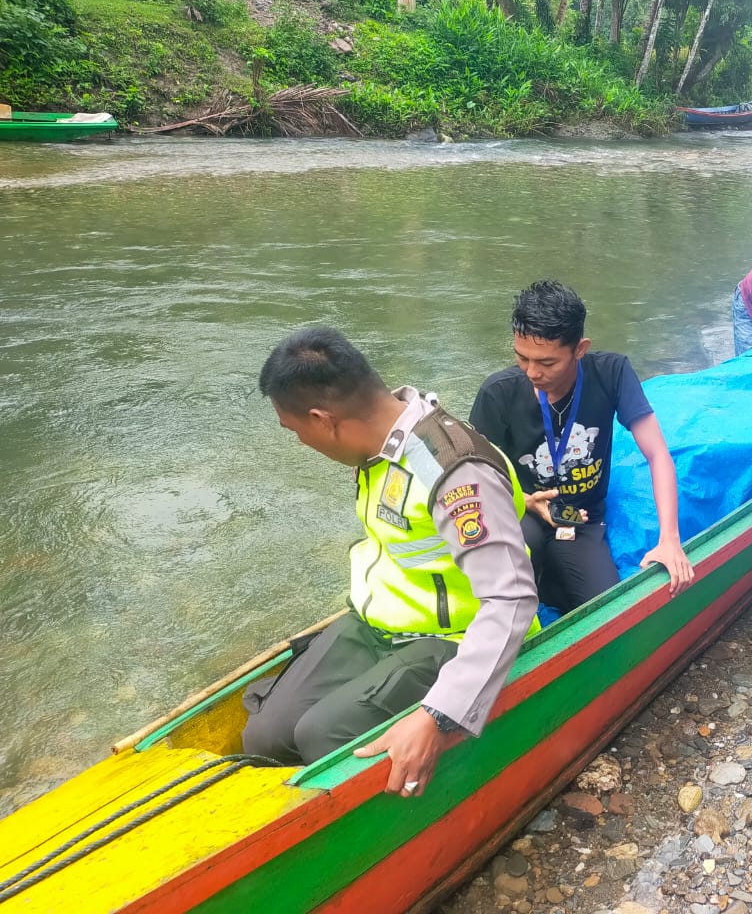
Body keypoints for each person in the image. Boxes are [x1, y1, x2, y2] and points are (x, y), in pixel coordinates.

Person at [241, 327, 539, 799]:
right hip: (381, 622)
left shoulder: (454, 473)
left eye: (296, 431)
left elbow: (511, 598)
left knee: (322, 737)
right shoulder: (380, 448)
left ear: (323, 419)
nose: (301, 444)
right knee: (263, 737)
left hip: (451, 638)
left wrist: (438, 715)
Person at [469, 280, 694, 614]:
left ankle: (554, 581)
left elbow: (658, 454)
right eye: (522, 358)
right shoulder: (498, 393)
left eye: (547, 363)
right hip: (520, 510)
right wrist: (526, 501)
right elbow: (474, 478)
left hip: (580, 517)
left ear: (580, 348)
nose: (533, 373)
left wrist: (670, 540)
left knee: (606, 612)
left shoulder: (611, 373)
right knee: (501, 589)